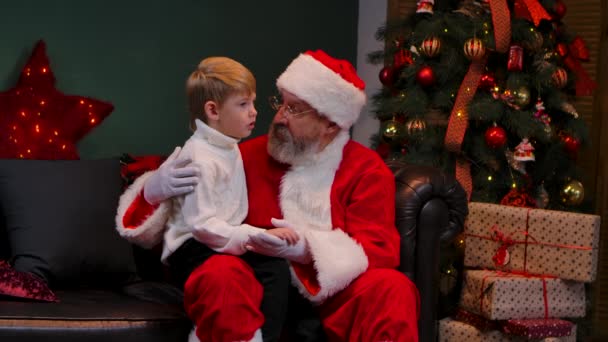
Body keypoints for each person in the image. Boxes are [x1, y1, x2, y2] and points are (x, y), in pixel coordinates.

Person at [117, 50, 420, 341]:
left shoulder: (365, 170)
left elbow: (378, 250)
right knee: (222, 274)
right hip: (254, 287)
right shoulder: (243, 154)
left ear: (330, 124)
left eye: (294, 109)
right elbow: (186, 189)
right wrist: (155, 188)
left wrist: (306, 250)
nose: (278, 117)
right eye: (281, 103)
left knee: (393, 287)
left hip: (330, 300)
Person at [116, 56, 294, 342]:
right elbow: (202, 226)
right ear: (213, 110)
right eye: (243, 104)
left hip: (220, 240)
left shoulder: (229, 146)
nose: (254, 113)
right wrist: (254, 235)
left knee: (274, 269)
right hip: (195, 248)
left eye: (253, 103)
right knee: (227, 277)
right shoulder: (199, 157)